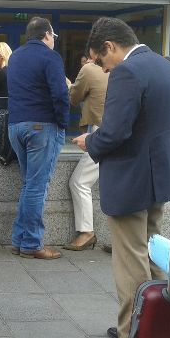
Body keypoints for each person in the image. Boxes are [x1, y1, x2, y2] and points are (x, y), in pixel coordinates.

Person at [72, 17, 170, 338]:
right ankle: (157, 323)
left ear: (110, 46)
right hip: (159, 175)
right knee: (152, 254)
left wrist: (88, 141)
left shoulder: (127, 71)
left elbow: (115, 132)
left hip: (130, 179)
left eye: (100, 60)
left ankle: (132, 330)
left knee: (130, 263)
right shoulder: (166, 68)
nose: (103, 69)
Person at [7, 17, 69, 260]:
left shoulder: (15, 56)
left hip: (16, 126)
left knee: (28, 184)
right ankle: (32, 243)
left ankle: (19, 240)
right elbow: (60, 94)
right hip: (42, 125)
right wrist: (63, 123)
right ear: (47, 35)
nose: (53, 41)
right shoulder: (50, 57)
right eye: (53, 36)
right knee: (37, 186)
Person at [64, 57, 108, 251]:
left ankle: (86, 232)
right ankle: (127, 240)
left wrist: (68, 85)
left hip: (101, 131)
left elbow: (73, 98)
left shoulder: (89, 69)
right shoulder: (122, 69)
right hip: (116, 130)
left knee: (79, 181)